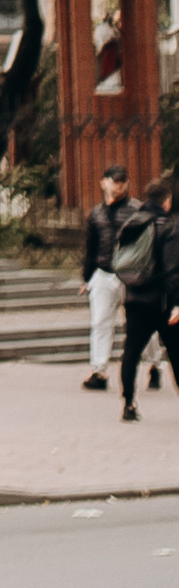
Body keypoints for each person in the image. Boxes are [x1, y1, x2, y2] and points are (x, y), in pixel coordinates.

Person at [120, 177, 176, 424]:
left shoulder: (131, 223)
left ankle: (128, 403)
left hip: (134, 299)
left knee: (131, 353)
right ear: (167, 200)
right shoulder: (169, 226)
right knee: (176, 353)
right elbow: (173, 270)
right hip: (161, 302)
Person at [83, 164, 143, 391]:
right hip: (104, 272)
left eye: (122, 181)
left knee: (139, 324)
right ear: (103, 183)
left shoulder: (137, 209)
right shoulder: (96, 213)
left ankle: (154, 363)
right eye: (114, 181)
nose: (119, 185)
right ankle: (99, 371)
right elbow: (91, 247)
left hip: (132, 276)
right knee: (100, 322)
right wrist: (87, 277)